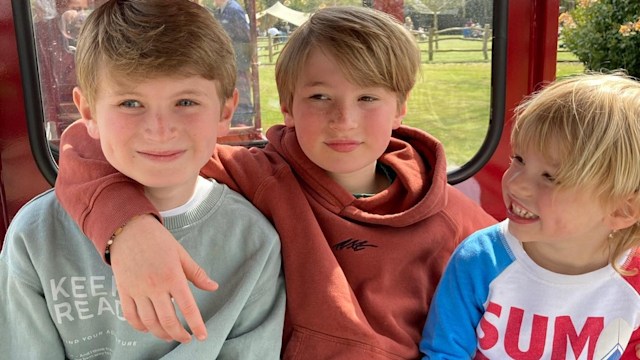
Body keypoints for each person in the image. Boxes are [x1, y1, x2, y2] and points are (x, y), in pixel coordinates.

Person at [54, 6, 497, 359]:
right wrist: (127, 229)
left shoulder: (453, 219)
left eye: (368, 97)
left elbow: (497, 308)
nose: (344, 119)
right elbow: (88, 142)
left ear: (400, 107)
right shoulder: (262, 175)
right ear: (287, 106)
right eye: (319, 96)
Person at [0, 0, 285, 358]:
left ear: (225, 110)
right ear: (88, 111)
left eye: (185, 102)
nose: (160, 130)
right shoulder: (36, 237)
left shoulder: (253, 243)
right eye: (131, 103)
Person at [420, 73, 640, 359]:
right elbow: (445, 352)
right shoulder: (480, 259)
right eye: (519, 159)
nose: (515, 183)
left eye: (550, 176)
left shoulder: (633, 278)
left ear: (621, 210)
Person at [213, 0, 254, 126]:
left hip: (237, 64)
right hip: (228, 63)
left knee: (240, 97)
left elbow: (244, 37)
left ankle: (242, 124)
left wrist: (240, 64)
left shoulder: (234, 10)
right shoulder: (221, 11)